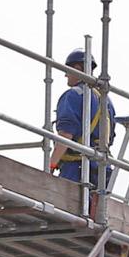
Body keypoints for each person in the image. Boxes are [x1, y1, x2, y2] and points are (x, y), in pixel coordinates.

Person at [49, 46, 113, 192]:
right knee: (95, 211)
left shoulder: (73, 95)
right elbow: (111, 136)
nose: (66, 75)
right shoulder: (106, 100)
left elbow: (65, 135)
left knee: (66, 210)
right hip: (102, 169)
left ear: (77, 68)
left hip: (77, 168)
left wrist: (51, 165)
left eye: (68, 70)